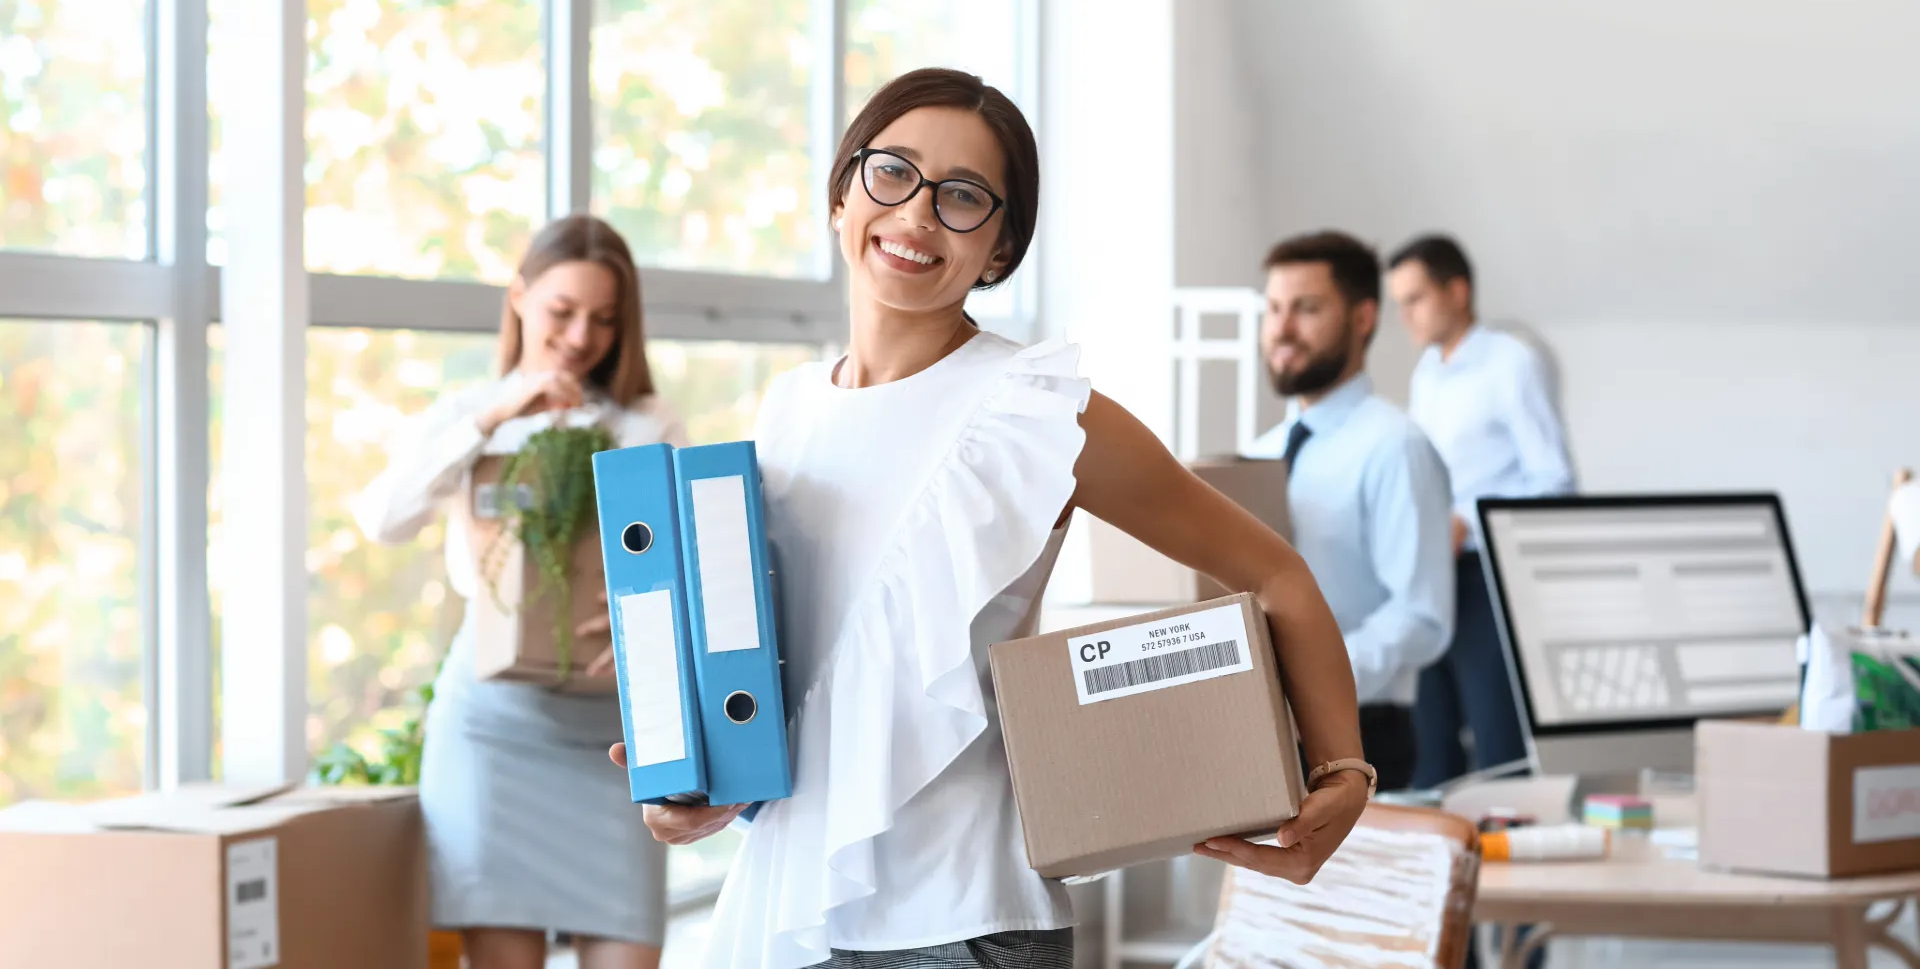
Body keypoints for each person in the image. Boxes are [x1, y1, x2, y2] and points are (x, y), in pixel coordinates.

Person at [606, 69, 1374, 969]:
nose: (918, 213)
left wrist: (1344, 771)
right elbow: (818, 684)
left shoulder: (1037, 409)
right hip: (791, 909)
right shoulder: (785, 412)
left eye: (963, 196)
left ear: (1001, 247)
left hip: (967, 924)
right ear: (842, 193)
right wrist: (702, 788)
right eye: (893, 172)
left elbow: (1277, 574)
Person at [356, 216, 686, 969]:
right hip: (493, 730)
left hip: (615, 740)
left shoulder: (645, 424)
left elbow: (689, 556)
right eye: (561, 311)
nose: (580, 337)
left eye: (604, 319)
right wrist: (495, 417)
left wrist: (653, 621)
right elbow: (383, 518)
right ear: (519, 298)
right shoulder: (471, 415)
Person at [1245, 231, 1455, 793]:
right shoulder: (1259, 455)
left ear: (1363, 318)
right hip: (1256, 732)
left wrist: (1308, 685)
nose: (1282, 329)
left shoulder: (1397, 447)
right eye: (1273, 309)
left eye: (1307, 309)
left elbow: (1422, 617)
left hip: (1360, 734)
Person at [1386, 234, 1575, 790]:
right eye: (1399, 302)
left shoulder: (1512, 363)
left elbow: (1556, 482)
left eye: (1415, 298)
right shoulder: (1427, 373)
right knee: (1429, 745)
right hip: (1431, 578)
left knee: (1497, 745)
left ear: (1457, 291)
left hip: (1488, 576)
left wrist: (1466, 520)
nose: (1405, 315)